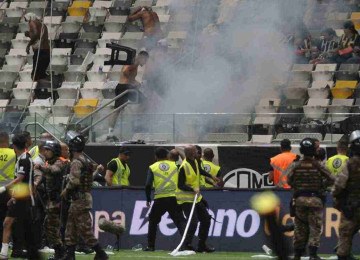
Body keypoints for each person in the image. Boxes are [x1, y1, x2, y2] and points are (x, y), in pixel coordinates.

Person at [60, 131, 108, 260]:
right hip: (81, 199)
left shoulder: (76, 162)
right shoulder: (85, 160)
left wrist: (66, 190)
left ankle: (101, 253)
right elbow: (87, 180)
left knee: (84, 229)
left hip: (79, 200)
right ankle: (69, 255)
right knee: (71, 228)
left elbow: (74, 181)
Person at [287, 138, 335, 260]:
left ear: (302, 150)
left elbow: (288, 180)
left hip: (300, 200)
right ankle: (313, 255)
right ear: (314, 150)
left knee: (299, 228)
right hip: (315, 199)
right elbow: (332, 178)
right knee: (315, 227)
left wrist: (298, 186)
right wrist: (321, 185)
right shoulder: (318, 165)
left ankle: (297, 254)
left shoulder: (295, 165)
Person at [0, 133, 40, 260]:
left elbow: (20, 178)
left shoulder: (24, 159)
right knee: (14, 224)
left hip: (24, 198)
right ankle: (6, 252)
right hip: (20, 196)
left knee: (16, 224)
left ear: (15, 146)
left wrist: (4, 188)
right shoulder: (21, 158)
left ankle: (7, 252)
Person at [177, 145, 218, 253]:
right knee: (193, 222)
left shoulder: (195, 161)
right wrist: (192, 189)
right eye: (196, 151)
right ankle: (186, 245)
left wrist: (211, 176)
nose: (198, 153)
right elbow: (180, 185)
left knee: (206, 219)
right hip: (186, 199)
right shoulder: (183, 166)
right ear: (191, 153)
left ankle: (201, 245)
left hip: (196, 197)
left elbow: (199, 170)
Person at [144, 147, 185, 251]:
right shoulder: (175, 164)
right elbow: (187, 164)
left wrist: (148, 198)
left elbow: (148, 185)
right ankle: (186, 244)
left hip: (160, 198)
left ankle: (150, 246)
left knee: (153, 221)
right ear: (167, 155)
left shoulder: (152, 167)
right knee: (180, 221)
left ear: (155, 157)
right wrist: (180, 152)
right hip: (174, 198)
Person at [35, 140, 65, 259]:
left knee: (52, 226)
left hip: (57, 201)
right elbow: (45, 177)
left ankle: (60, 252)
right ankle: (59, 251)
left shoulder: (58, 162)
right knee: (48, 226)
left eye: (48, 150)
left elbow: (55, 170)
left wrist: (40, 167)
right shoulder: (49, 163)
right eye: (45, 150)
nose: (45, 152)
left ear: (54, 151)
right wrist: (36, 183)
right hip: (50, 201)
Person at [332, 130, 360, 260]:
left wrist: (338, 199)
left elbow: (339, 186)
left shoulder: (350, 164)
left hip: (351, 208)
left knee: (344, 238)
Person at [0, 132, 15, 251]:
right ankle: (6, 244)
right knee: (8, 219)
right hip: (8, 190)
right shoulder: (13, 153)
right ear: (6, 140)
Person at [24, 13, 50, 81]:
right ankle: (42, 90)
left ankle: (37, 90)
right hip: (46, 51)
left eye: (27, 21)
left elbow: (35, 35)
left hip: (39, 51)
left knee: (35, 75)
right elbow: (40, 36)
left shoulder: (32, 22)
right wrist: (29, 34)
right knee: (41, 75)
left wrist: (28, 45)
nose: (28, 23)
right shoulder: (43, 25)